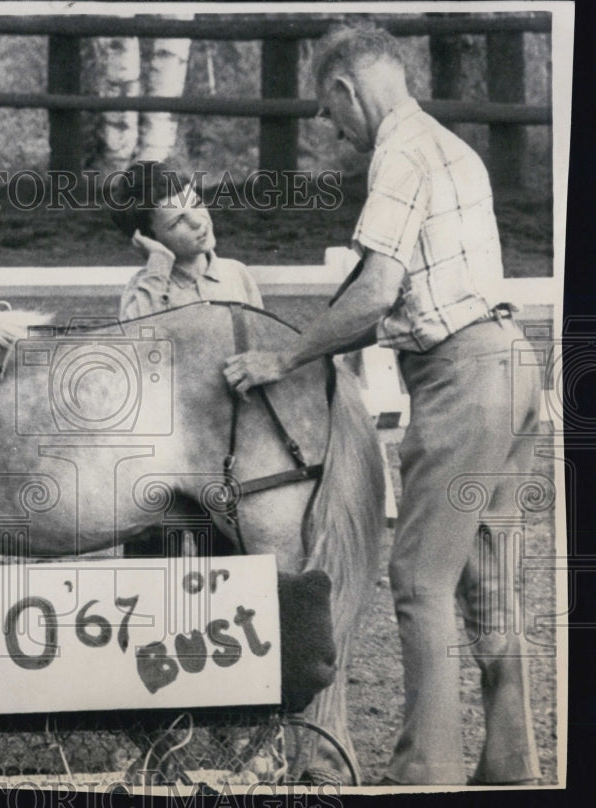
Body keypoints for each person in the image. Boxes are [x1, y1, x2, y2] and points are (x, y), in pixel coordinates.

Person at [222, 25, 543, 785]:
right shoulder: (451, 148)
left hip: (460, 376)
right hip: (513, 364)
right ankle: (511, 763)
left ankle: (422, 774)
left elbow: (375, 290)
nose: (336, 135)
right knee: (489, 582)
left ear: (345, 90)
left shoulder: (399, 153)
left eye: (331, 120)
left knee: (419, 582)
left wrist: (285, 355)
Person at [112, 161, 264, 320]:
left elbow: (258, 337)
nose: (197, 222)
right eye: (177, 222)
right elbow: (139, 339)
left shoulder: (236, 273)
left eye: (196, 203)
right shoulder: (144, 288)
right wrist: (158, 263)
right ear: (149, 239)